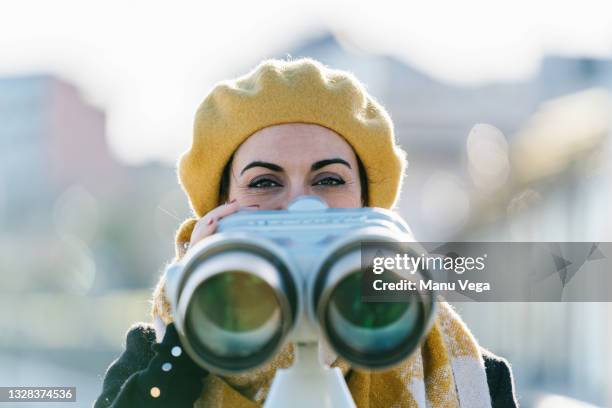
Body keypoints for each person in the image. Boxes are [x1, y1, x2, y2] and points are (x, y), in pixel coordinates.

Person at [94, 58, 518, 408]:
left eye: (329, 180)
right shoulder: (161, 357)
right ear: (219, 208)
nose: (300, 205)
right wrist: (194, 332)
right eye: (264, 182)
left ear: (366, 204)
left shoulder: (473, 377)